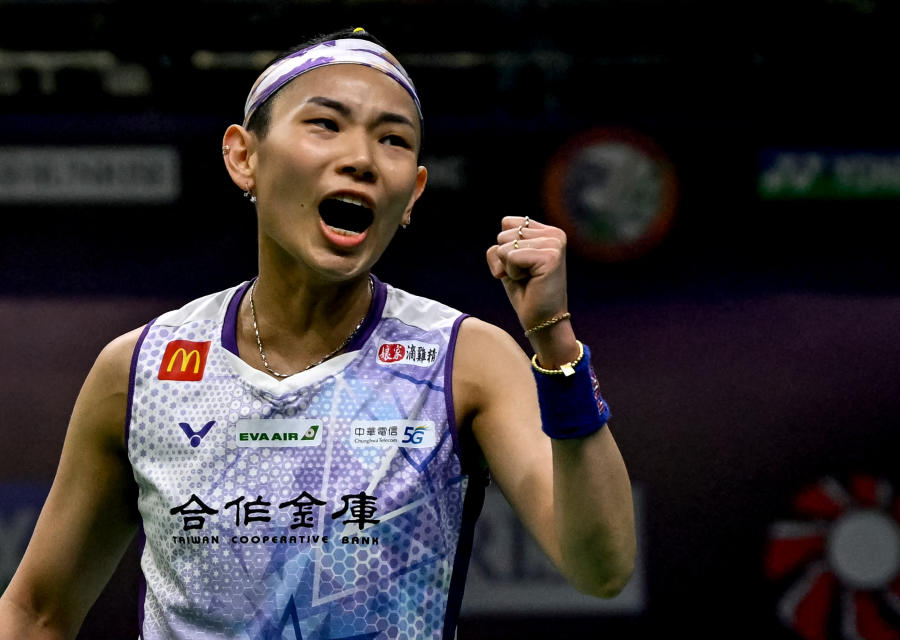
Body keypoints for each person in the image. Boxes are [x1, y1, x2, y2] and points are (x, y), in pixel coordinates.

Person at [0, 27, 635, 639]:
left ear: (412, 192)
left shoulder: (463, 359)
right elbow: (35, 612)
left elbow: (601, 569)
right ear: (244, 156)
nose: (360, 159)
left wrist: (555, 343)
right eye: (325, 124)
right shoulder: (144, 368)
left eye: (392, 140)